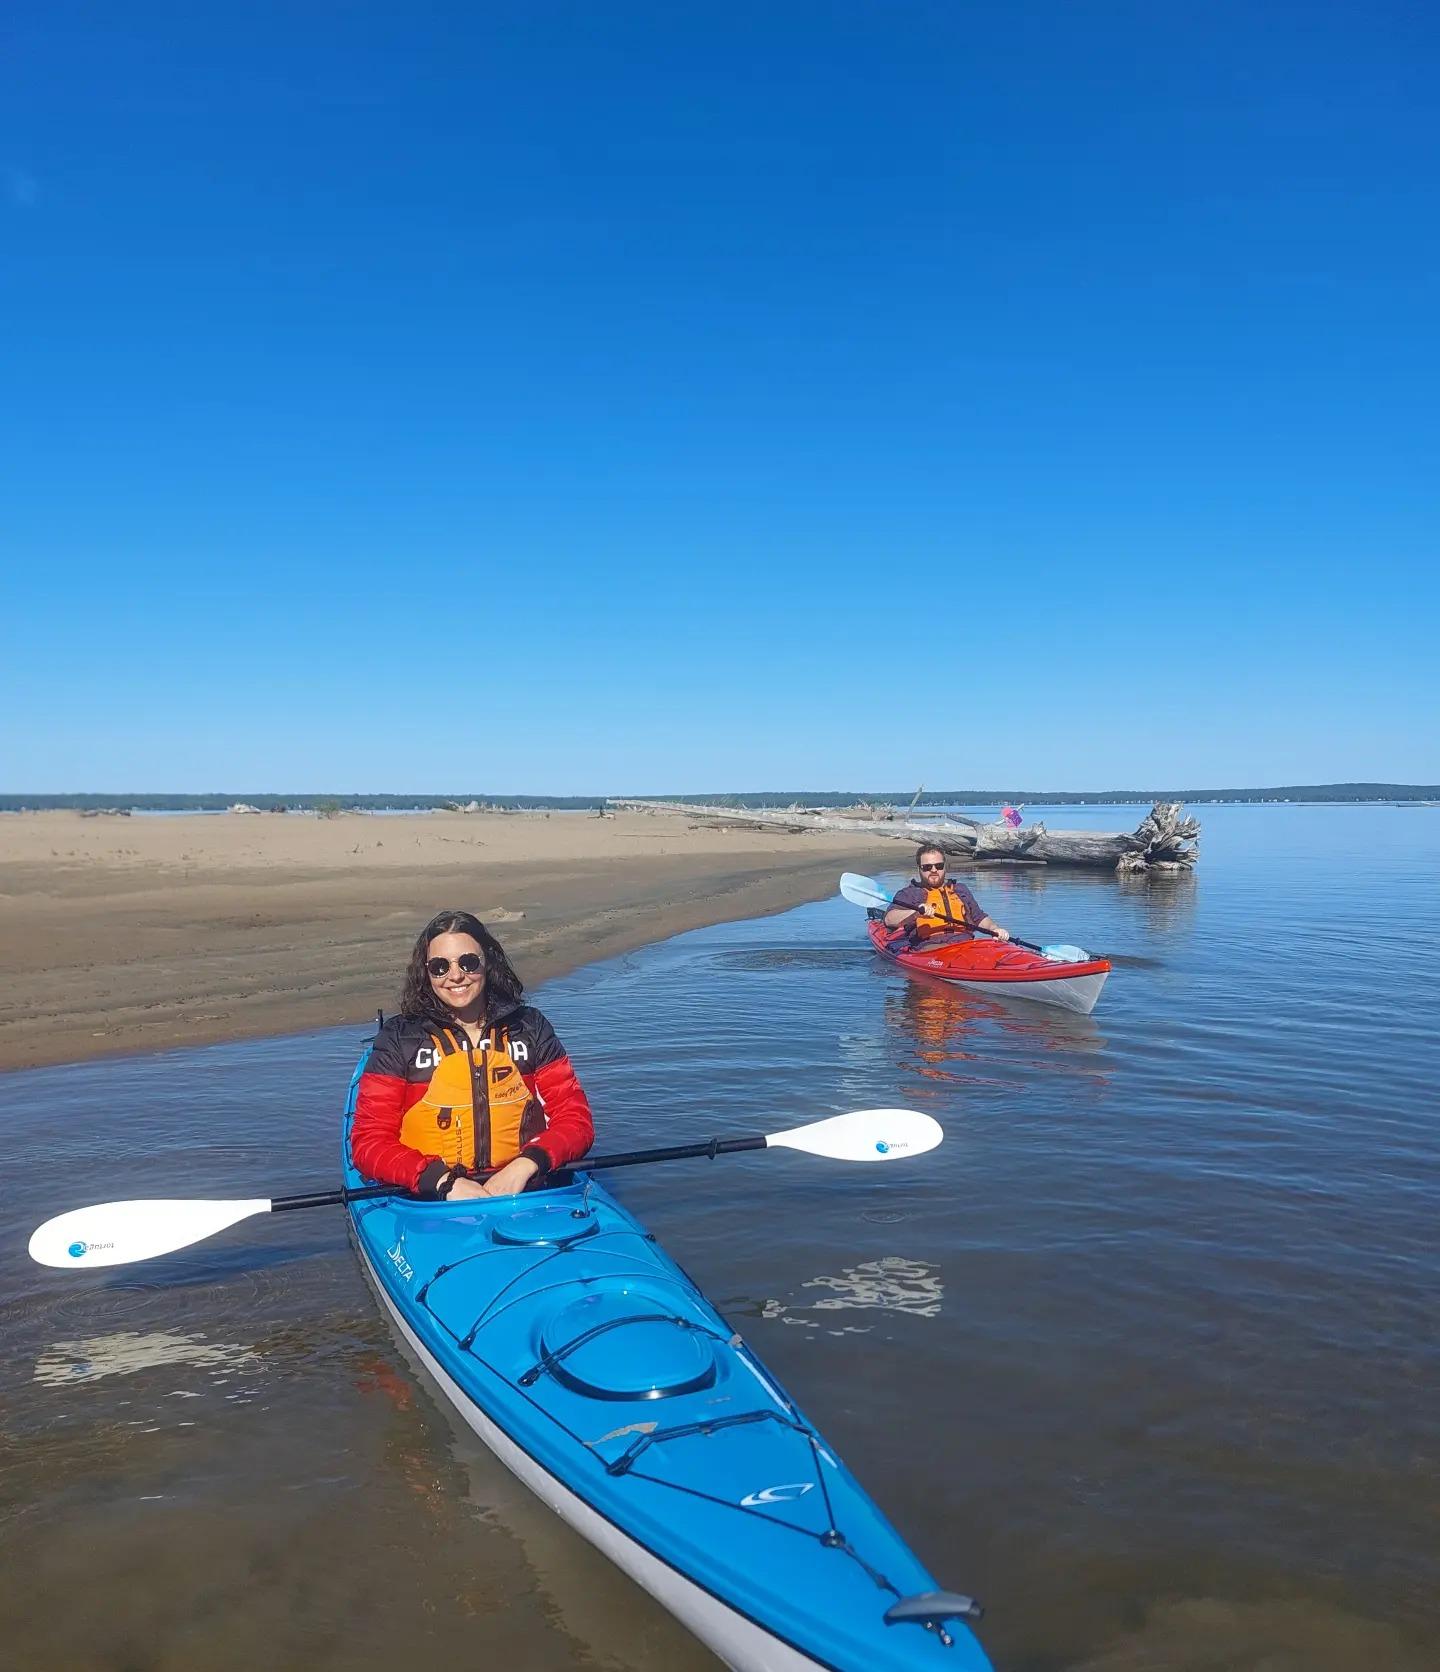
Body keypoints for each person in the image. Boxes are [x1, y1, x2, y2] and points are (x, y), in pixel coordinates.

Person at [350, 910, 594, 1200]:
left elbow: (576, 1119)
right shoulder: (399, 1038)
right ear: (426, 972)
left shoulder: (530, 1027)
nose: (455, 976)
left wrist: (527, 1164)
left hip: (525, 1188)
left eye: (468, 962)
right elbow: (369, 1143)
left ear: (488, 962)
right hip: (425, 1197)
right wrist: (442, 1181)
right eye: (440, 967)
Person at [883, 843, 1011, 944]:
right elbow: (889, 919)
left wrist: (995, 929)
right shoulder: (909, 894)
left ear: (945, 867)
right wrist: (916, 912)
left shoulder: (960, 890)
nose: (934, 870)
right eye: (927, 867)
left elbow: (979, 918)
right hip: (931, 946)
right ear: (919, 869)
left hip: (965, 944)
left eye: (938, 866)